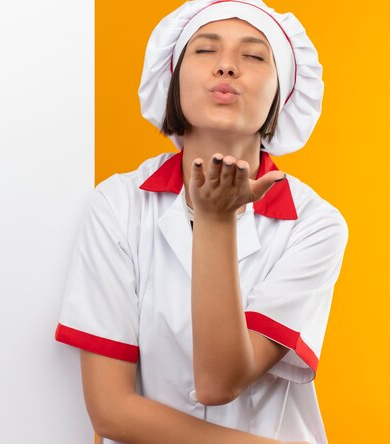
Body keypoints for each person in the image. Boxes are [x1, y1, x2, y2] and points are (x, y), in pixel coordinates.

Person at [54, 1, 348, 443]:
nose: (227, 67)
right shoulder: (118, 205)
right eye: (205, 50)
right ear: (172, 80)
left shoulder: (314, 224)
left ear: (282, 92)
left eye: (253, 56)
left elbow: (219, 382)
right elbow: (110, 410)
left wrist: (215, 220)